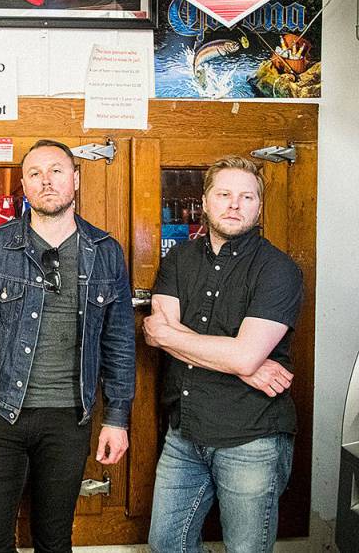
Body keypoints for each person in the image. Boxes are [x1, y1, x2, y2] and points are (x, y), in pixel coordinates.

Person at [0, 139, 135, 553]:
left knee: (53, 540)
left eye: (56, 170)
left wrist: (117, 419)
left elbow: (120, 342)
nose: (46, 181)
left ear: (76, 179)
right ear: (24, 188)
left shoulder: (105, 252)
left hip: (70, 418)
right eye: (34, 173)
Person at [145, 156, 302, 553]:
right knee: (166, 545)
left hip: (252, 438)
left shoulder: (278, 270)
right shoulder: (178, 259)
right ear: (205, 200)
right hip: (184, 433)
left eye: (246, 196)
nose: (234, 204)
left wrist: (241, 359)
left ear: (259, 206)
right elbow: (155, 333)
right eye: (225, 194)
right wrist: (239, 361)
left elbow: (171, 334)